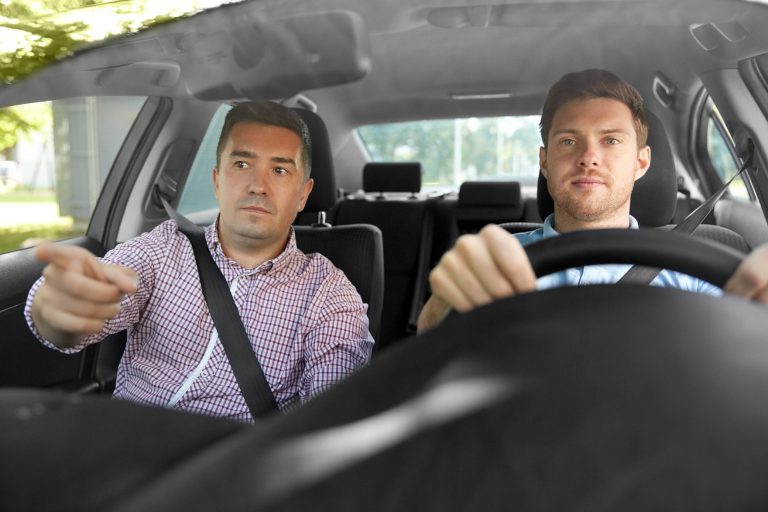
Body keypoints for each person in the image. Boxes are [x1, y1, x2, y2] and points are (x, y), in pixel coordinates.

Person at [25, 101, 373, 422]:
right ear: (217, 181)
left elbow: (332, 414)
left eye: (280, 170)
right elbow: (88, 296)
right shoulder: (163, 248)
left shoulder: (328, 293)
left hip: (230, 463)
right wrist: (57, 310)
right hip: (125, 446)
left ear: (303, 194)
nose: (258, 186)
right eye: (242, 164)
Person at [418, 69, 768, 331]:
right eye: (569, 141)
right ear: (544, 162)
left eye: (611, 141)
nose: (588, 158)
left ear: (641, 162)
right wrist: (441, 307)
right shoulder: (493, 265)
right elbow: (431, 361)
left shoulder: (695, 270)